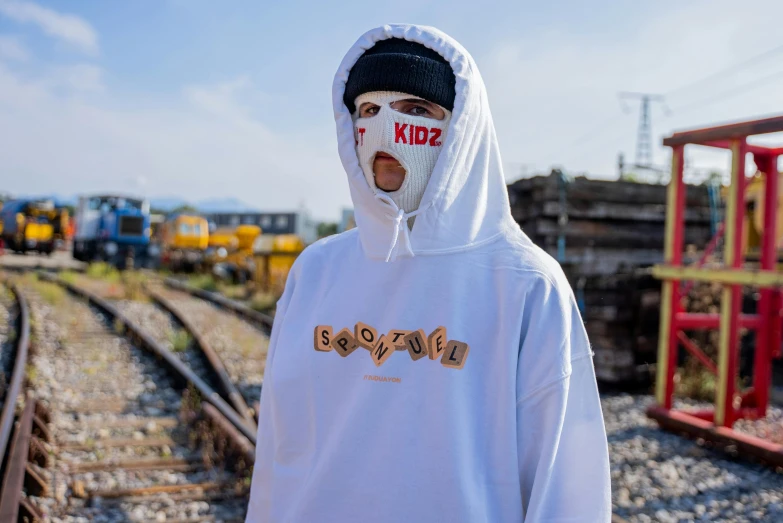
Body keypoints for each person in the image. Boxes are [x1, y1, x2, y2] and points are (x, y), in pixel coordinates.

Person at [246, 24, 611, 523]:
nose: (384, 129)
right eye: (368, 110)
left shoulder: (526, 284)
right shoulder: (317, 270)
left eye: (416, 110)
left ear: (463, 128)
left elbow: (567, 485)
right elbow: (278, 446)